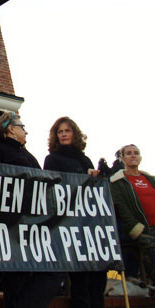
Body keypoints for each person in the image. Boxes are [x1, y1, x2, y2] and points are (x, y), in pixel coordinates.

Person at [0, 112, 63, 308]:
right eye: (22, 126)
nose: (25, 130)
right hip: (10, 229)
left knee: (53, 271)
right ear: (11, 129)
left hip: (34, 227)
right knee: (15, 279)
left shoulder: (29, 156)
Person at [43, 116, 105, 308]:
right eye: (60, 132)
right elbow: (52, 189)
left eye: (67, 131)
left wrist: (95, 176)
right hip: (71, 226)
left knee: (98, 279)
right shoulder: (52, 159)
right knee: (80, 281)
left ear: (74, 133)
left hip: (90, 225)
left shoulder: (84, 159)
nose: (63, 134)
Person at [110, 144, 155, 283]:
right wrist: (137, 229)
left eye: (136, 152)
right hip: (142, 230)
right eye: (129, 153)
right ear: (122, 158)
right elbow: (122, 209)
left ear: (140, 157)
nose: (133, 155)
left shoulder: (151, 179)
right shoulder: (117, 182)